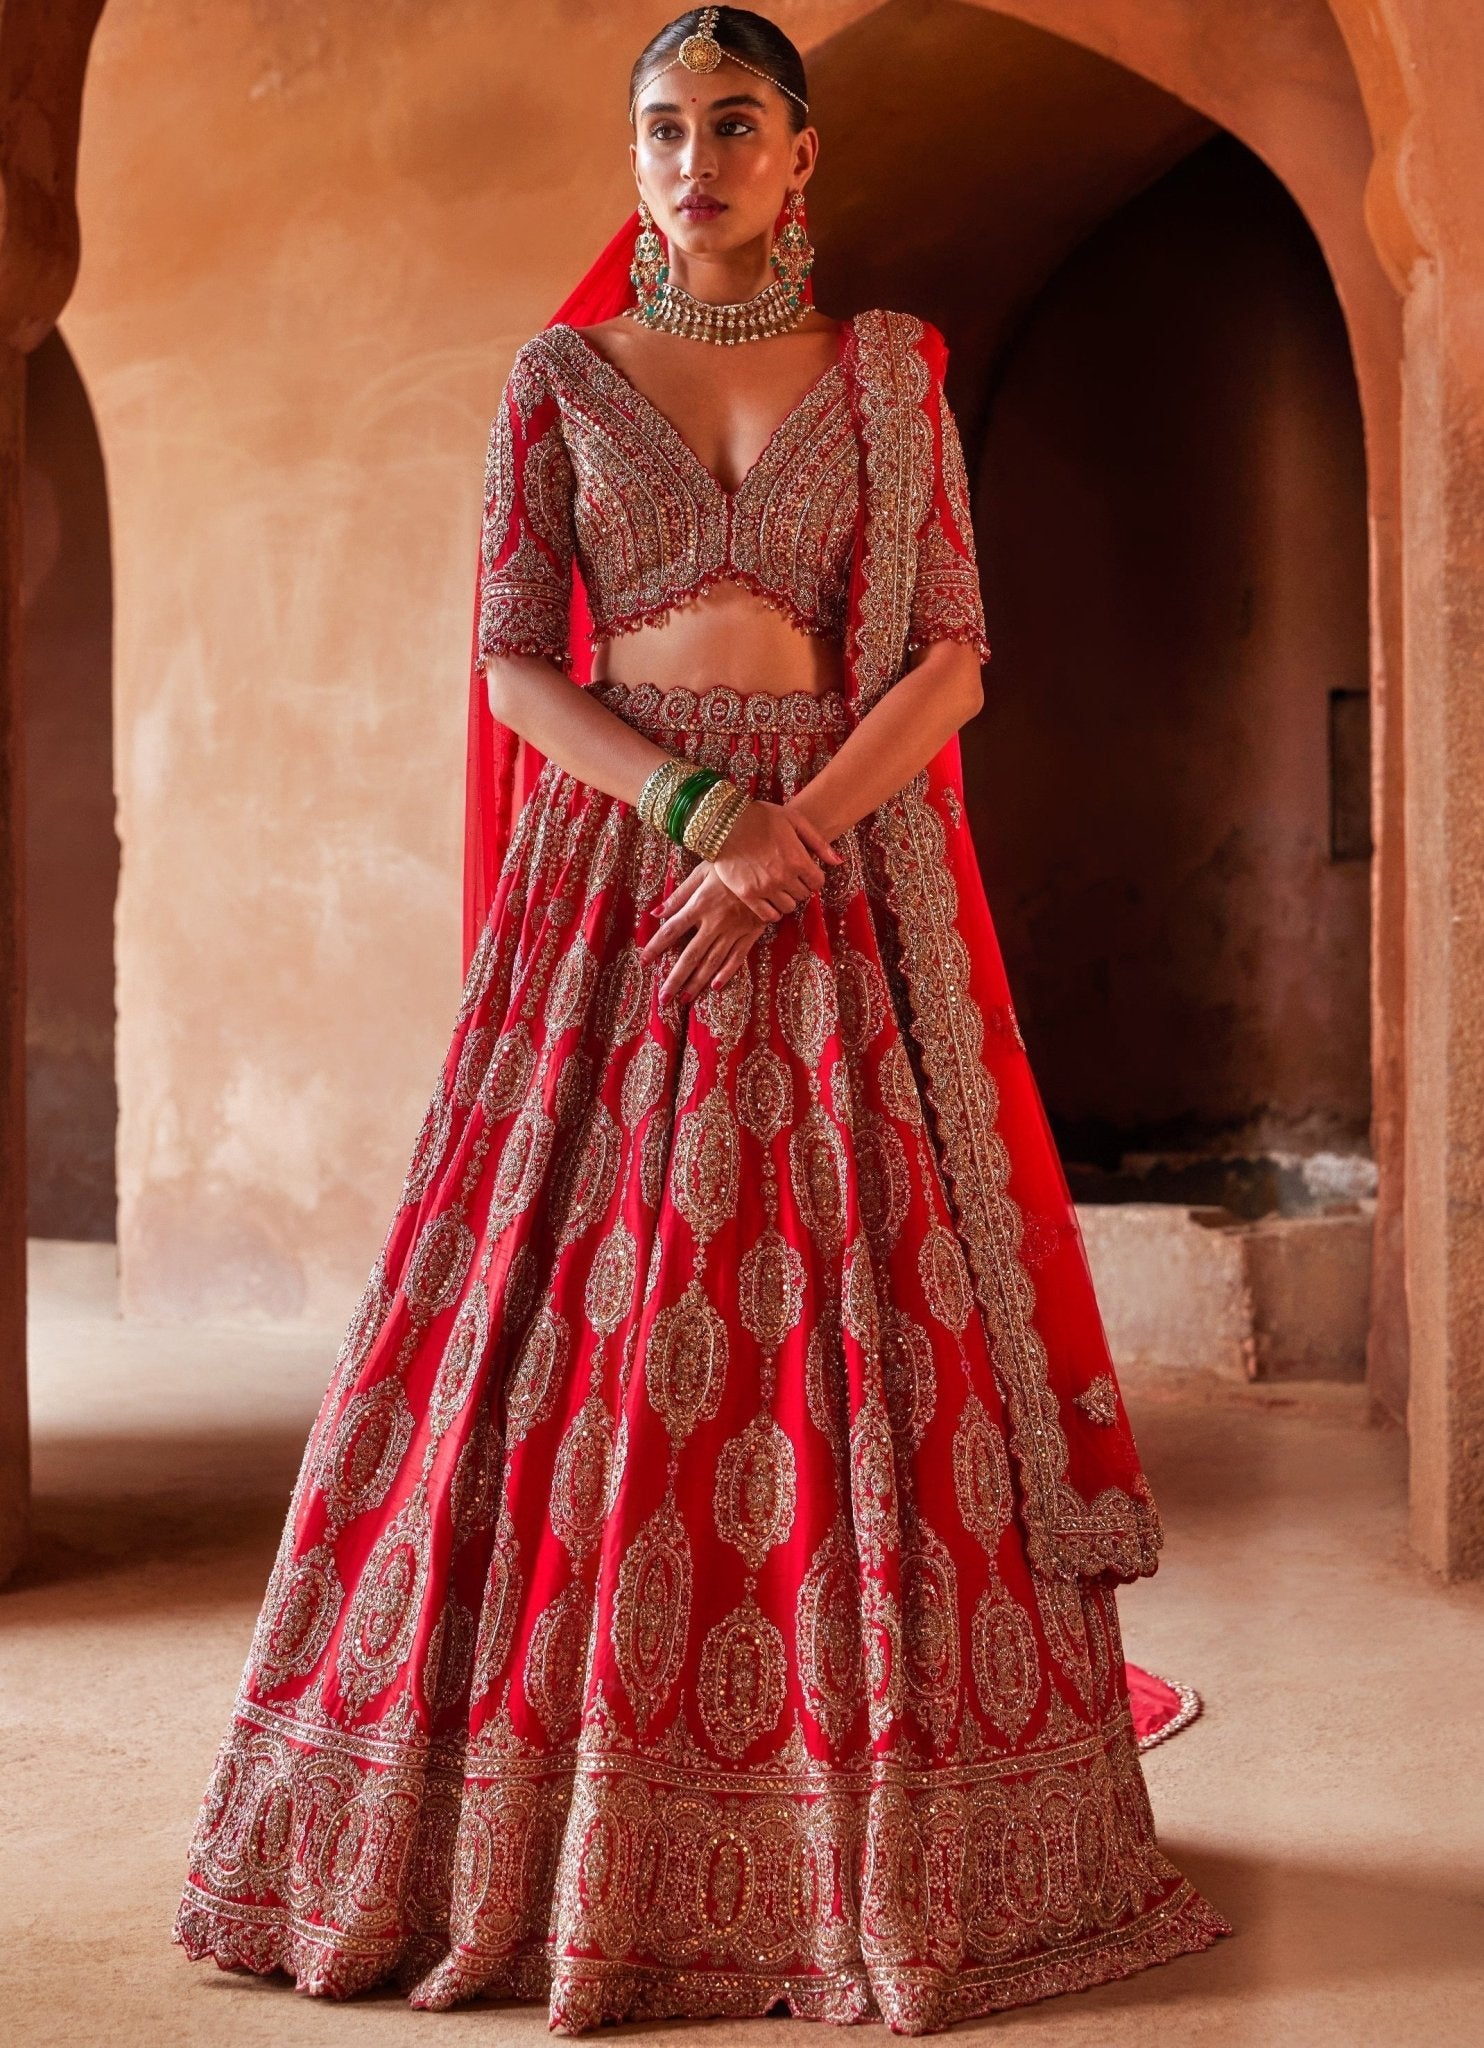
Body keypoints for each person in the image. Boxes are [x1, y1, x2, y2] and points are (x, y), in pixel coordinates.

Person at [173, 7, 1231, 2030]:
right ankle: (554, 1840)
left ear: (800, 154)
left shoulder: (891, 372)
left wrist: (794, 834)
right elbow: (507, 665)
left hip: (828, 894)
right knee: (578, 1338)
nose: (691, 157)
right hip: (621, 891)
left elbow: (947, 658)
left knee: (852, 1335)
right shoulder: (557, 377)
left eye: (732, 121)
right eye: (660, 126)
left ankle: (865, 1840)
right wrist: (692, 809)